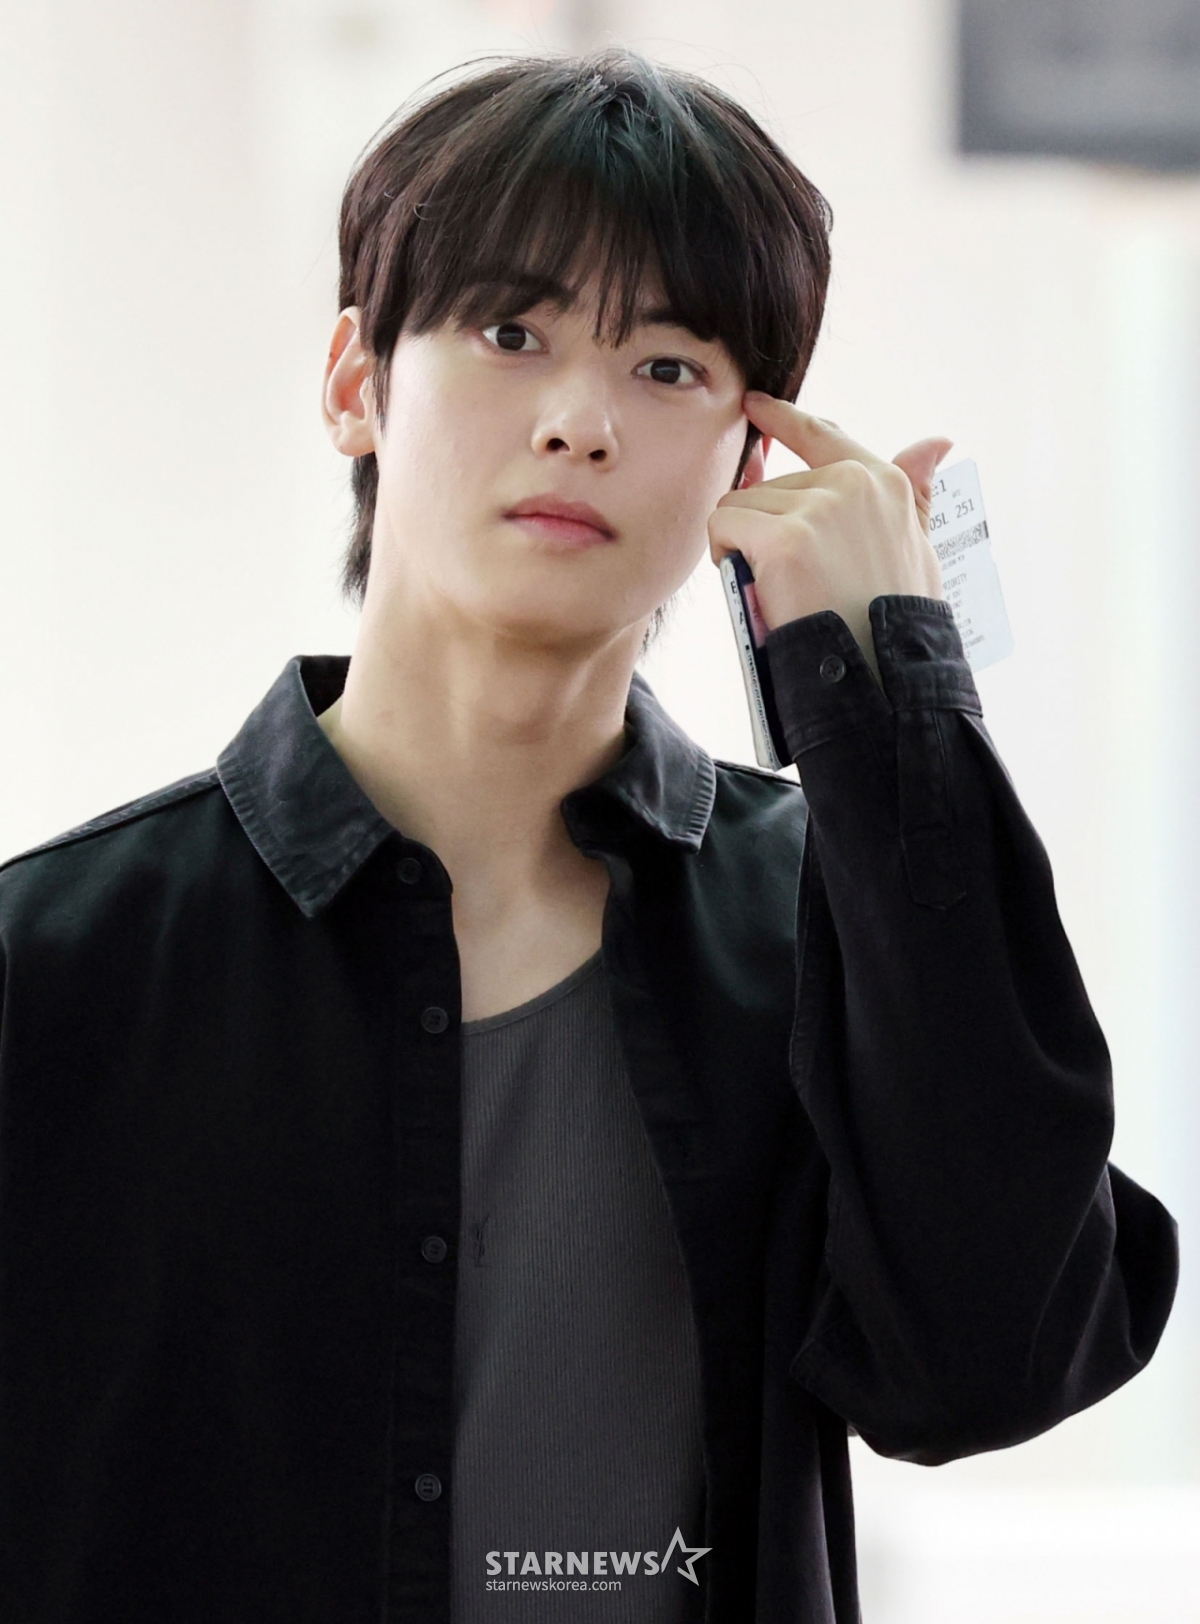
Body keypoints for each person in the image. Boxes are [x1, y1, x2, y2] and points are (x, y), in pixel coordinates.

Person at [0, 45, 1178, 1624]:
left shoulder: (823, 926)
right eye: (511, 333)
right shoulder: (55, 964)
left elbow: (994, 1364)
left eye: (670, 368)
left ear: (751, 460)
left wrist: (891, 702)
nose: (581, 422)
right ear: (356, 382)